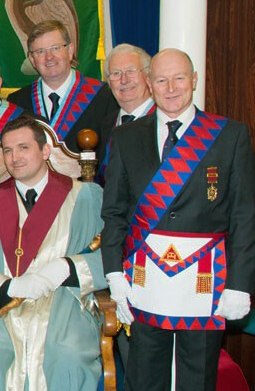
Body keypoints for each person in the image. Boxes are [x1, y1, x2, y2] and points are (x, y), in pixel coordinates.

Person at [101, 48, 255, 391]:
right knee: (143, 375)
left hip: (204, 281)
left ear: (195, 80)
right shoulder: (126, 137)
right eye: (161, 79)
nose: (171, 88)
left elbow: (245, 215)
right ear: (149, 84)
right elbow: (113, 213)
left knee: (197, 377)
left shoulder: (229, 135)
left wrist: (240, 284)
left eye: (179, 78)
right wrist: (114, 273)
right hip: (144, 279)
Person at [0, 115, 106, 390]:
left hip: (62, 302)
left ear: (45, 151)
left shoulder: (84, 197)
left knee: (69, 358)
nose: (14, 157)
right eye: (7, 150)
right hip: (0, 307)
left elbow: (111, 254)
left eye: (23, 148)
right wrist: (6, 285)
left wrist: (69, 268)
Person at [7, 20, 118, 152]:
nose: (49, 57)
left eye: (55, 48)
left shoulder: (104, 95)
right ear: (32, 60)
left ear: (70, 51)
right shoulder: (16, 102)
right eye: (40, 51)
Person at [98, 44, 155, 175]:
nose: (124, 80)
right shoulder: (106, 124)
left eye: (131, 71)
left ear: (148, 75)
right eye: (116, 73)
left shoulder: (162, 120)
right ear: (109, 82)